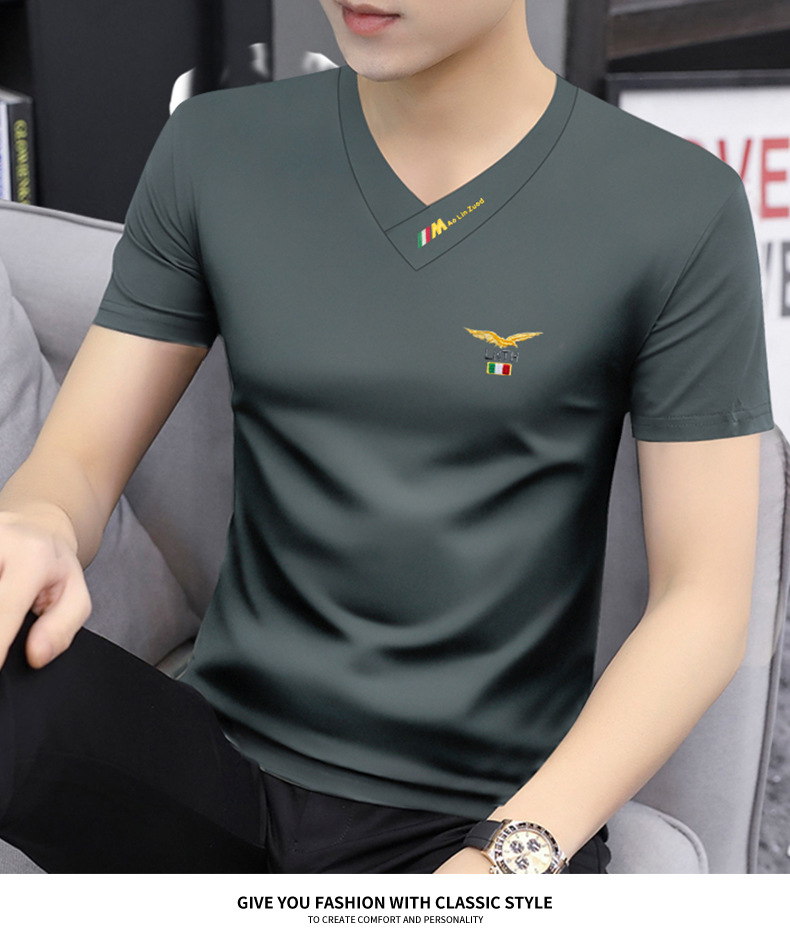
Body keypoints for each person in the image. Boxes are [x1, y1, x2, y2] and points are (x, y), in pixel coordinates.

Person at [0, 0, 773, 874]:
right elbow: (76, 461)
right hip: (217, 770)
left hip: (473, 817)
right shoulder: (213, 147)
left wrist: (509, 856)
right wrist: (39, 520)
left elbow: (703, 604)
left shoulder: (676, 205)